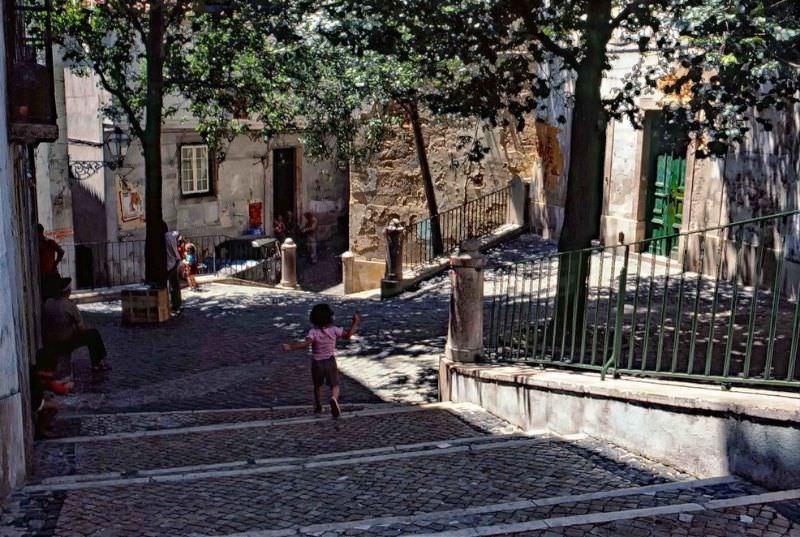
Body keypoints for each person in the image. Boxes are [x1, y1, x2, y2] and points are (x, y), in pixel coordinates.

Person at [282, 304, 360, 418]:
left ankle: (319, 406)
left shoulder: (313, 332)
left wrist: (291, 347)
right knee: (335, 384)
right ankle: (334, 398)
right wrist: (355, 322)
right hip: (330, 361)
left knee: (317, 386)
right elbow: (348, 335)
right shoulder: (334, 330)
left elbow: (305, 344)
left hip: (317, 363)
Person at [42, 276, 111, 372]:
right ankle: (98, 362)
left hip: (51, 340)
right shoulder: (70, 306)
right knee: (93, 334)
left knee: (92, 334)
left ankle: (100, 361)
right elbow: (81, 329)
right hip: (65, 342)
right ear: (68, 291)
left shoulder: (48, 303)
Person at [30, 349, 73, 439]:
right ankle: (42, 430)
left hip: (36, 398)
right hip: (35, 402)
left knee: (49, 398)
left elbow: (51, 384)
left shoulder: (37, 370)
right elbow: (59, 390)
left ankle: (45, 423)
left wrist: (62, 382)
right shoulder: (46, 375)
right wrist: (67, 386)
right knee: (54, 406)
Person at [37, 223, 65, 298]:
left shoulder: (49, 242)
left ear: (40, 233)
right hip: (43, 276)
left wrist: (55, 263)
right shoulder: (37, 244)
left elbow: (61, 251)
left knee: (54, 296)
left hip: (51, 274)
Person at [163, 221, 182, 314]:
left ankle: (166, 305)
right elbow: (177, 233)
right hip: (175, 261)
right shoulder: (171, 235)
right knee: (175, 285)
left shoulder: (160, 238)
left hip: (167, 264)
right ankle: (176, 305)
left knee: (166, 285)